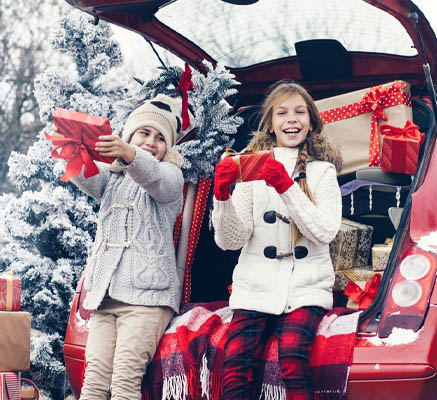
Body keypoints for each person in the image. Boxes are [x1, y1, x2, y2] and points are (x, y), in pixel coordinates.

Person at [211, 81, 342, 399]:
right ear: (270, 123)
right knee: (235, 366)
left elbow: (324, 231)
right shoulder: (248, 166)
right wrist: (222, 197)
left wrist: (285, 185)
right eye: (282, 112)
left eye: (299, 112)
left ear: (310, 120)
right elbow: (231, 240)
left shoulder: (322, 172)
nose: (291, 119)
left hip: (306, 288)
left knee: (293, 357)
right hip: (254, 287)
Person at [61, 94, 186, 399]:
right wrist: (74, 147)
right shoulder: (112, 179)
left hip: (148, 299)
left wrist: (129, 154)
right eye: (144, 133)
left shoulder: (171, 177)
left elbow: (154, 176)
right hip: (107, 298)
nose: (151, 142)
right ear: (129, 134)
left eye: (160, 138)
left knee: (125, 382)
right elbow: (84, 175)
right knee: (94, 382)